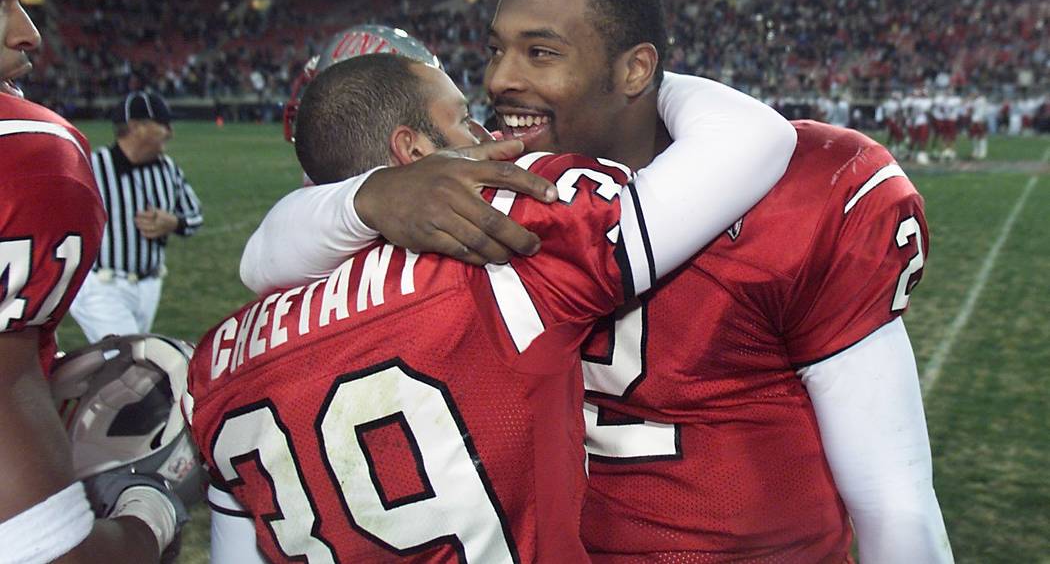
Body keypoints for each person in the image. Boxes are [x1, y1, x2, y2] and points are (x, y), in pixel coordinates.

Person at [242, 0, 954, 562]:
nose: (497, 80)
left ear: (635, 68)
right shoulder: (483, 193)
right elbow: (266, 254)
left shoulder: (798, 190)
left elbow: (892, 496)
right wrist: (374, 196)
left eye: (540, 52)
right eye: (496, 50)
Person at [189, 53, 795, 562]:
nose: (486, 134)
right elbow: (753, 137)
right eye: (463, 120)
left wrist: (362, 199)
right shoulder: (506, 251)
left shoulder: (217, 360)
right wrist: (625, 76)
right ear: (415, 150)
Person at [0, 0, 183, 564]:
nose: (30, 33)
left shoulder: (162, 173)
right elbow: (48, 552)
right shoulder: (30, 155)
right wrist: (154, 509)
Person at [69, 90, 203, 342]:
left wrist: (173, 222)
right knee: (131, 362)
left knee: (119, 365)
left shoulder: (167, 168)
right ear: (136, 127)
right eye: (163, 124)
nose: (170, 132)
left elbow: (195, 215)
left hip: (150, 284)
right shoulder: (91, 166)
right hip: (102, 285)